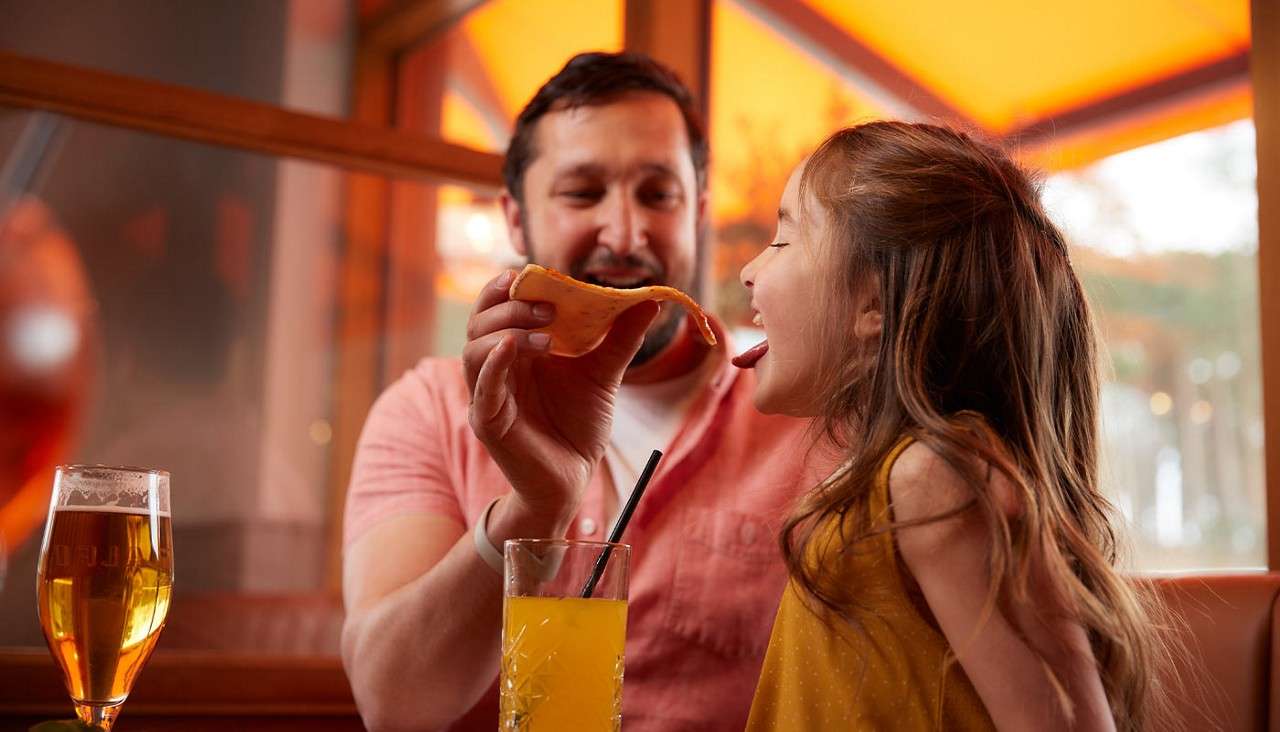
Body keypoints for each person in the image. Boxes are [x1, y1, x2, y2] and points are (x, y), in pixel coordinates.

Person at [341, 52, 827, 731]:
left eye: (659, 195)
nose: (626, 235)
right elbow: (395, 705)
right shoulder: (428, 409)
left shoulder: (813, 416)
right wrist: (535, 508)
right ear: (515, 219)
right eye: (582, 192)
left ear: (700, 214)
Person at [735, 121, 1180, 731]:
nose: (750, 272)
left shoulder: (933, 478)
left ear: (876, 303)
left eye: (785, 240)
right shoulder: (889, 482)